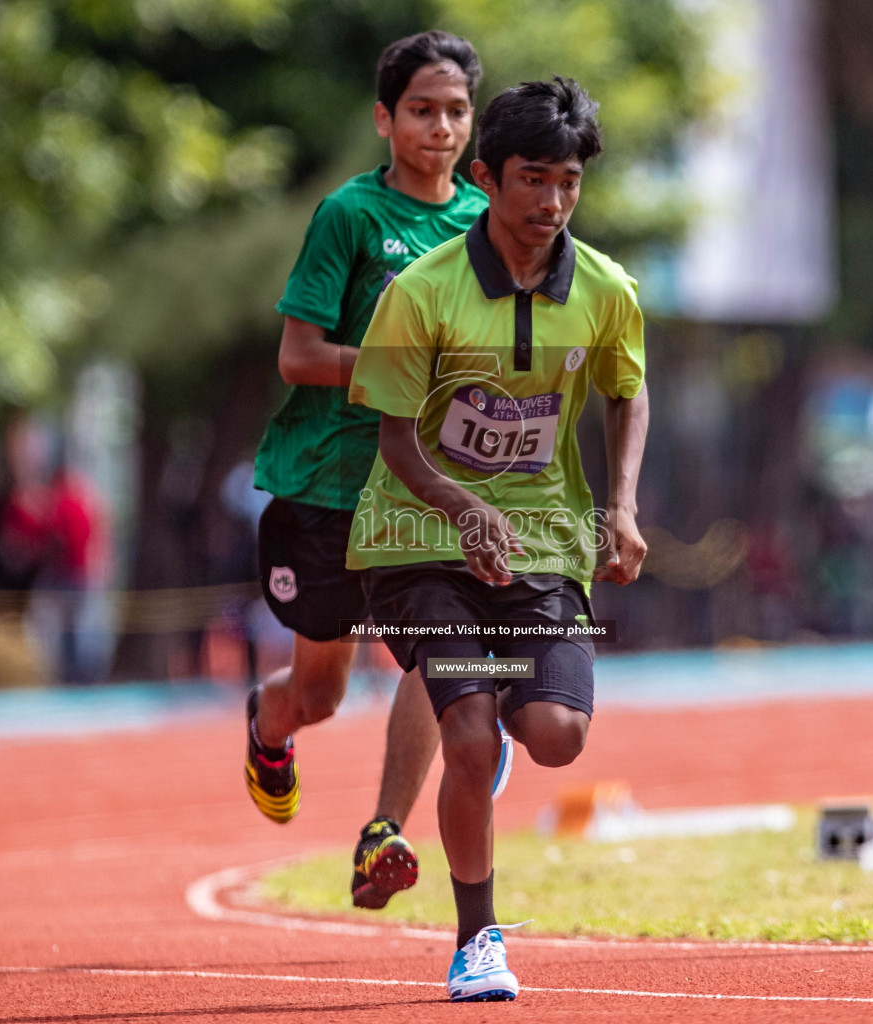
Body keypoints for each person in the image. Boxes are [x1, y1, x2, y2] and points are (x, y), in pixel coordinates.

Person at [347, 77, 649, 1002]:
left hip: (543, 544)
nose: (550, 203)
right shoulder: (421, 292)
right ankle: (477, 941)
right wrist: (460, 508)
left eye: (567, 183)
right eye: (531, 180)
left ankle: (496, 723)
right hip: (414, 543)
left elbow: (625, 391)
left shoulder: (605, 289)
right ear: (486, 176)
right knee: (468, 738)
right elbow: (395, 436)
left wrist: (623, 505)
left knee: (555, 735)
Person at [246, 30, 507, 911]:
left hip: (425, 488)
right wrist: (397, 366)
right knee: (318, 696)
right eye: (423, 111)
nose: (441, 128)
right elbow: (299, 356)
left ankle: (381, 834)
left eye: (457, 112)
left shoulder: (483, 221)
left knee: (436, 662)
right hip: (327, 483)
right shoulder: (350, 217)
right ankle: (266, 725)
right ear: (384, 119)